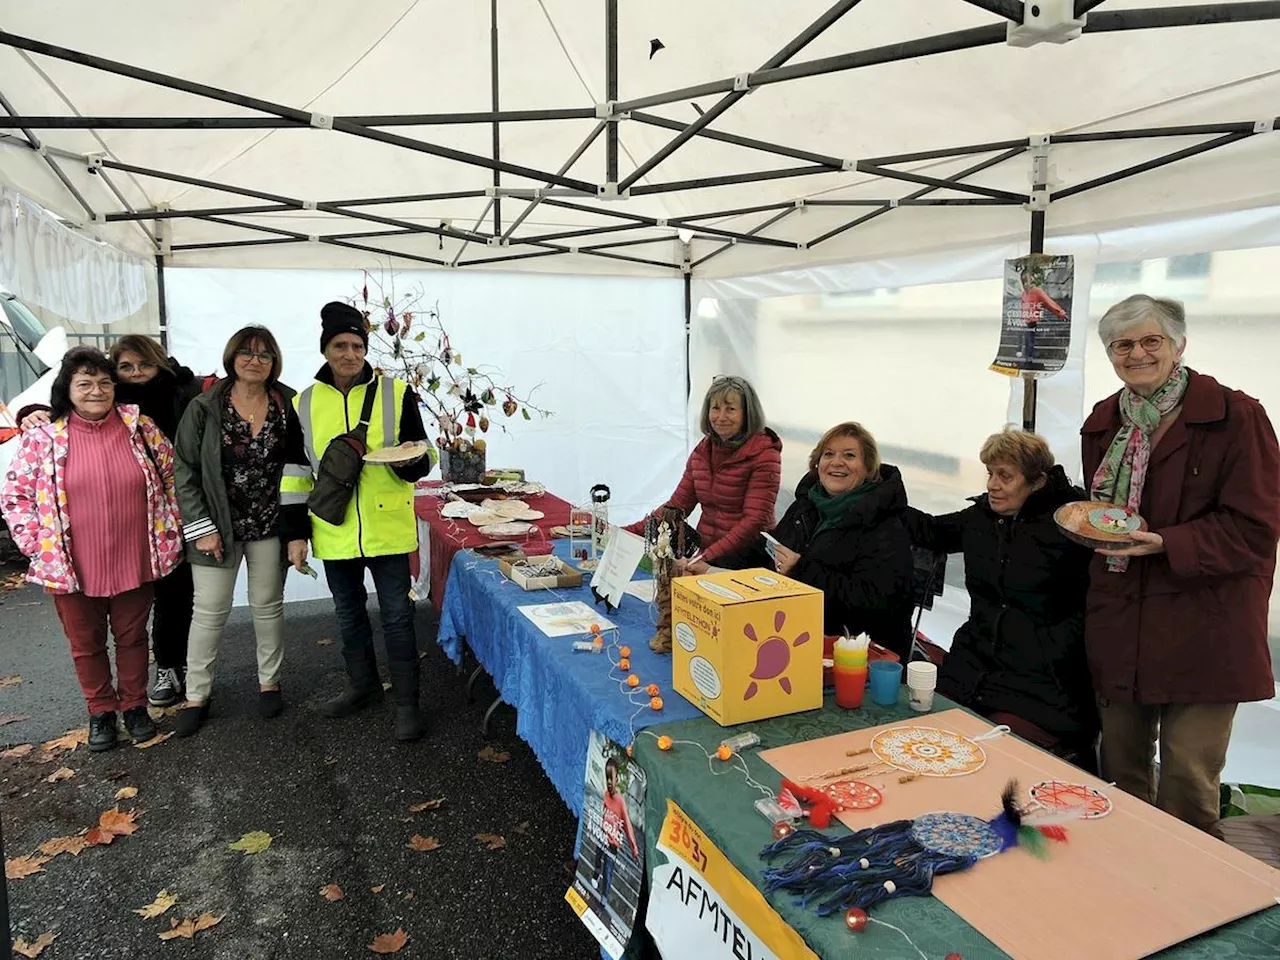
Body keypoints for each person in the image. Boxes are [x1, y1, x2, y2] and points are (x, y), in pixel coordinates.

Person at [1082, 294, 1279, 832]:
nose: (1137, 353)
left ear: (1179, 346)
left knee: (1188, 779)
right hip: (1123, 621)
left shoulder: (1237, 417)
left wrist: (1165, 542)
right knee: (1120, 772)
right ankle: (1127, 882)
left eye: (1152, 341)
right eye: (1123, 344)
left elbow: (1257, 530)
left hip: (1205, 628)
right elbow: (1104, 516)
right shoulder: (1103, 421)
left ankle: (1196, 903)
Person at [1, 348, 183, 751]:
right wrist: (37, 545)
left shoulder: (141, 428)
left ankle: (135, 706)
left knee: (133, 638)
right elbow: (15, 496)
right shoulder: (43, 437)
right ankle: (100, 711)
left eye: (103, 382)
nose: (96, 390)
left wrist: (169, 528)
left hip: (135, 555)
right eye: (85, 383)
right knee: (86, 645)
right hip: (71, 563)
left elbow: (171, 477)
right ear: (68, 388)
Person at [280, 302, 435, 741]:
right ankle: (363, 687)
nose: (349, 353)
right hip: (334, 527)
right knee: (348, 615)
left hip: (388, 526)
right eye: (340, 345)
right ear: (326, 349)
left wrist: (411, 464)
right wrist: (295, 534)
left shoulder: (397, 392)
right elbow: (295, 473)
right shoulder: (303, 402)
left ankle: (407, 704)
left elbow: (422, 451)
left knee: (398, 616)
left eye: (357, 345)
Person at [901, 428, 1097, 769]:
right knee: (926, 740)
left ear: (1036, 481)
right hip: (974, 665)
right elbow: (927, 530)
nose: (992, 484)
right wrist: (879, 484)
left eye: (1005, 476)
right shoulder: (980, 519)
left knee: (1001, 761)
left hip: (1043, 680)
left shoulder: (1069, 527)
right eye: (990, 473)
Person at [171, 327, 302, 737]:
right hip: (216, 527)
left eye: (264, 355)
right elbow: (185, 471)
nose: (254, 360)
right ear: (232, 357)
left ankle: (269, 682)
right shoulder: (205, 405)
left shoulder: (288, 403)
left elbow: (299, 466)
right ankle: (197, 695)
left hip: (268, 524)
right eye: (246, 352)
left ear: (274, 361)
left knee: (268, 605)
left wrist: (298, 530)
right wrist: (201, 528)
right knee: (209, 612)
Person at [772, 422, 914, 660]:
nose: (837, 462)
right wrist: (712, 566)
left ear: (868, 467)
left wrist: (801, 569)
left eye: (849, 455)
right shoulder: (806, 506)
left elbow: (877, 604)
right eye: (829, 454)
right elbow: (769, 549)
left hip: (854, 657)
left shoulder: (884, 525)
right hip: (792, 635)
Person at [625, 375, 781, 572]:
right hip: (707, 554)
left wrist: (705, 557)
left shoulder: (765, 454)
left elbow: (754, 522)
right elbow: (677, 507)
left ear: (748, 414)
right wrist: (628, 533)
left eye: (730, 409)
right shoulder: (703, 450)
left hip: (748, 559)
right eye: (715, 408)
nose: (721, 417)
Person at [594, 757, 639, 903]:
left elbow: (627, 825)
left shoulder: (620, 801)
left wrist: (634, 850)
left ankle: (604, 896)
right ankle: (595, 873)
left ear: (617, 779)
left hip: (613, 843)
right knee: (597, 857)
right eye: (606, 778)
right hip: (602, 834)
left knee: (608, 869)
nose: (608, 782)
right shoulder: (606, 794)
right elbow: (604, 810)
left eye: (611, 778)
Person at [1017, 266, 1067, 367]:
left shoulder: (1037, 291)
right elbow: (1023, 306)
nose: (1025, 283)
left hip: (1032, 321)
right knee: (1026, 340)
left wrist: (1060, 313)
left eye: (1027, 280)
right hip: (1024, 321)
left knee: (1029, 340)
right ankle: (1026, 358)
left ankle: (1029, 360)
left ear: (1032, 280)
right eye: (1023, 281)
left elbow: (1048, 302)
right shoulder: (1023, 294)